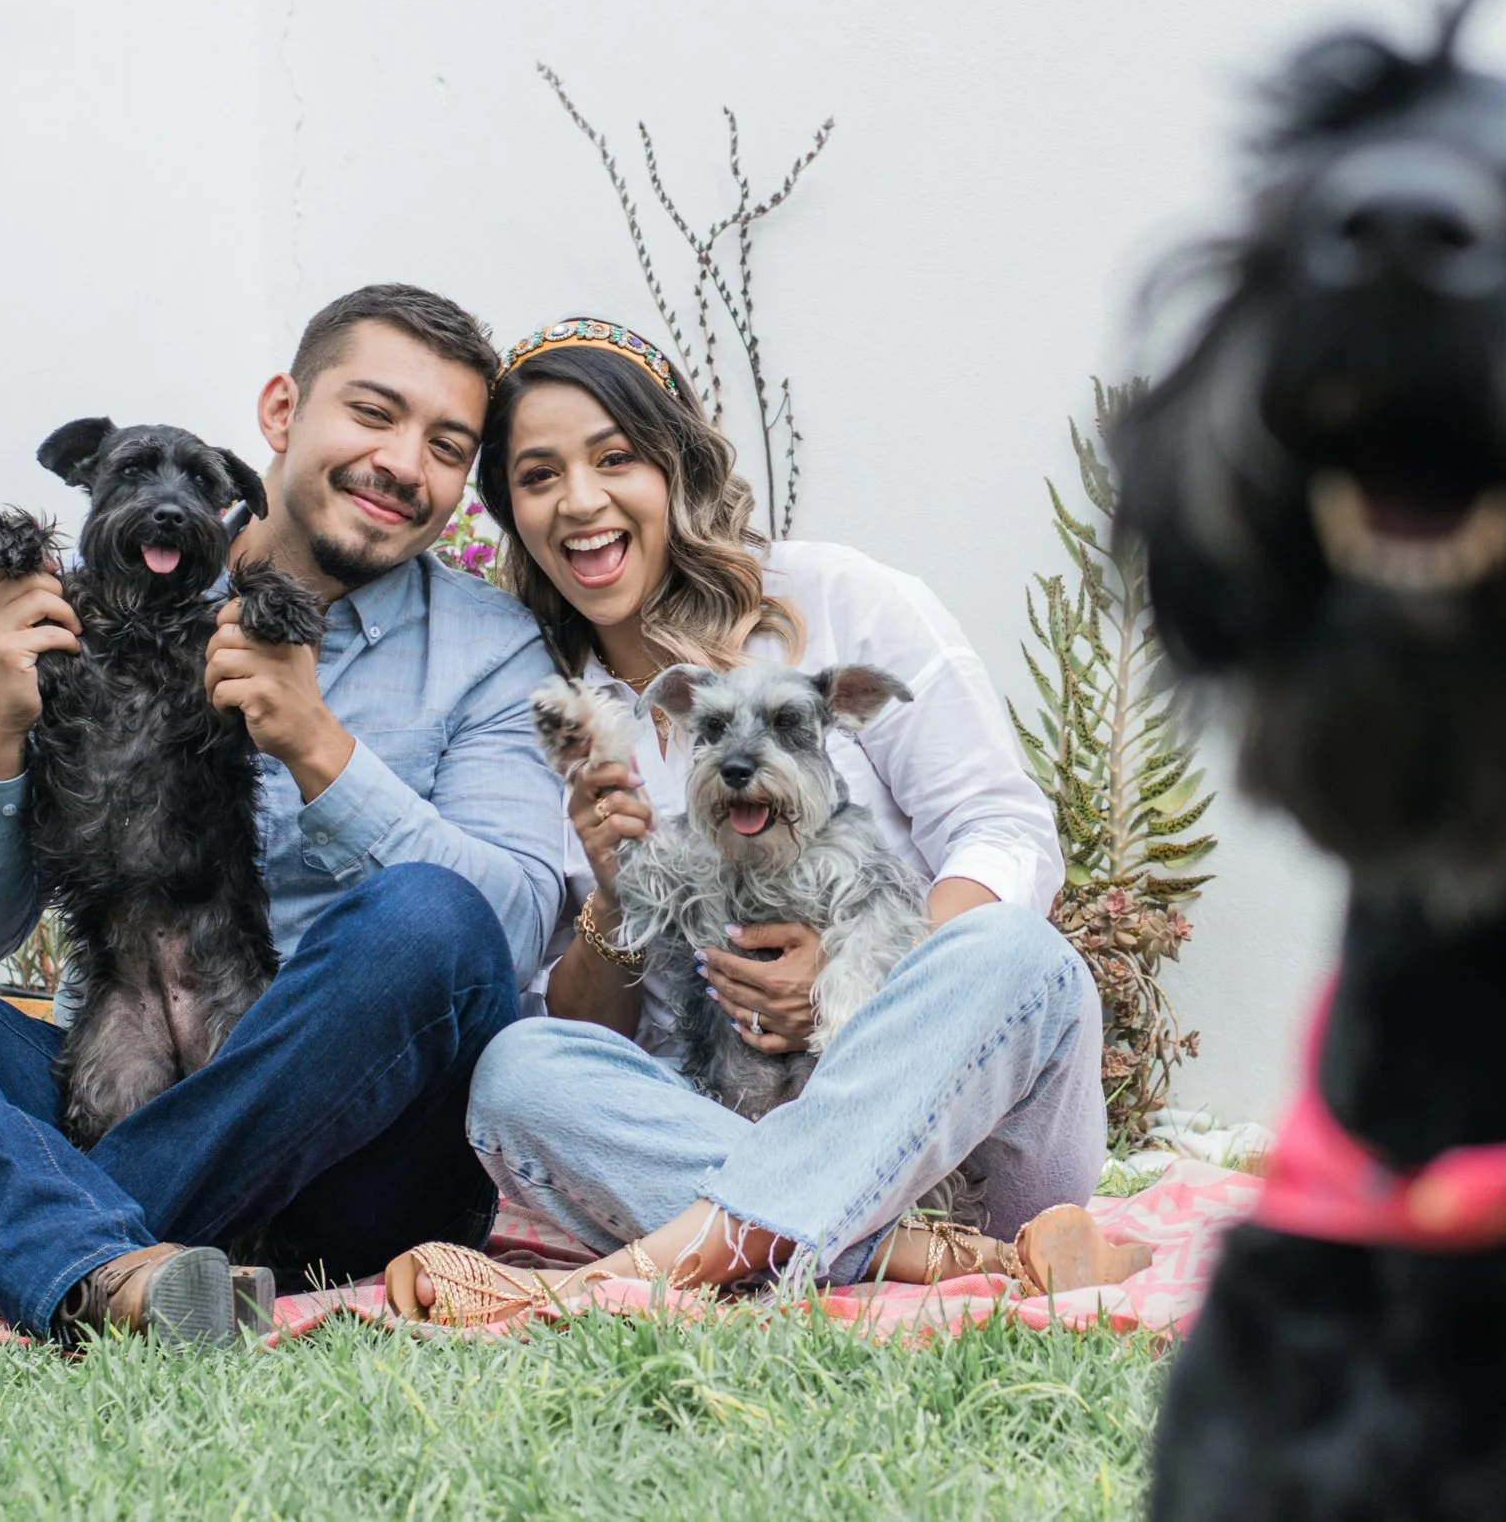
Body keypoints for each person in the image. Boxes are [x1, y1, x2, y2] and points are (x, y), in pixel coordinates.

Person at [0, 284, 566, 1342]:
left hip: (355, 1154)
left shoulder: (491, 649)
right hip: (116, 1077)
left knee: (427, 913)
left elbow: (496, 939)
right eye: (373, 413)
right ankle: (110, 1261)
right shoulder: (84, 615)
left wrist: (319, 750)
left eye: (448, 445)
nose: (405, 464)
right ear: (280, 412)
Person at [386, 318, 1142, 1323]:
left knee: (1012, 947)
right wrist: (616, 895)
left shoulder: (837, 599)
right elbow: (587, 1026)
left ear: (678, 466)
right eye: (537, 475)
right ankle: (933, 1256)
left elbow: (1002, 829)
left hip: (973, 1140)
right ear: (512, 513)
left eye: (615, 457)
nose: (579, 500)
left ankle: (615, 1280)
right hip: (718, 1128)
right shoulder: (548, 713)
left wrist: (869, 982)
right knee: (519, 1068)